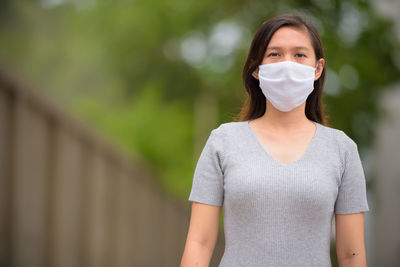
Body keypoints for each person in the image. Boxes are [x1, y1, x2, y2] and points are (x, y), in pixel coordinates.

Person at [180, 13, 369, 267]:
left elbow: (351, 254)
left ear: (318, 69)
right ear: (256, 70)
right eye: (275, 54)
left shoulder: (342, 150)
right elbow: (199, 243)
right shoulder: (223, 142)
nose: (287, 64)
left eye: (300, 55)